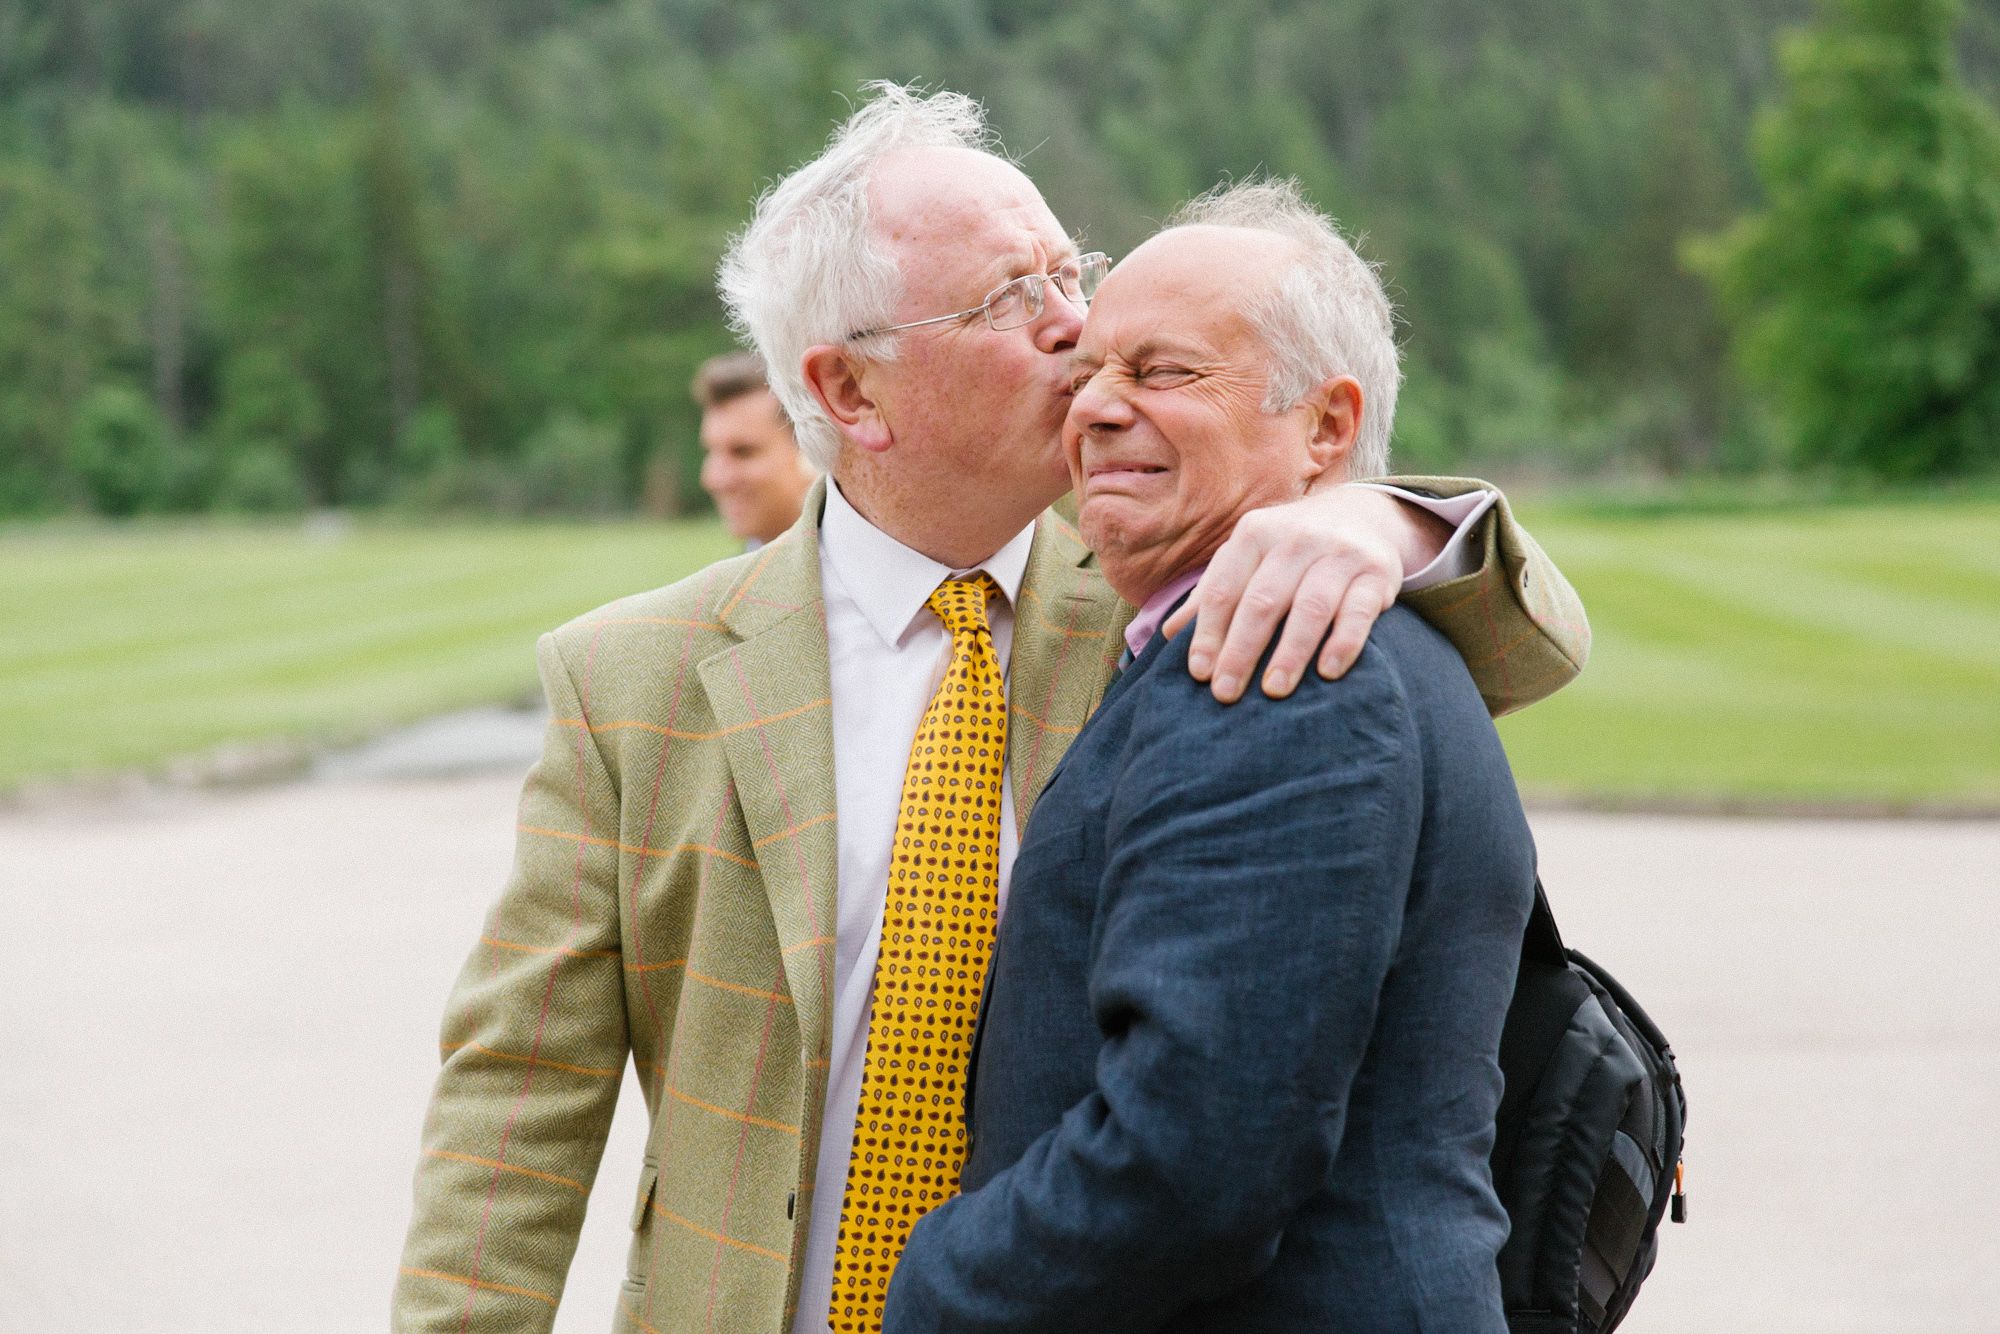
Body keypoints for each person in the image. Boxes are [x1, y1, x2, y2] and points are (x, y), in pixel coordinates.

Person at [392, 85, 1587, 1334]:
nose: (1078, 328)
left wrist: (1378, 513)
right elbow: (518, 1098)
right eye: (1013, 298)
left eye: (1073, 272)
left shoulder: (1205, 605)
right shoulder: (632, 679)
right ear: (849, 392)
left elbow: (1519, 649)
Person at [883, 180, 1536, 1332]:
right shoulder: (1307, 632)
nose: (1092, 409)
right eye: (1086, 372)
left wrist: (935, 1290)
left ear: (1326, 429)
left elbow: (1194, 1158)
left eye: (1162, 371)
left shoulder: (1280, 664)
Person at [695, 350, 818, 548]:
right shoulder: (737, 577)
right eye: (711, 452)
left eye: (743, 452)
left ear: (811, 451)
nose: (715, 479)